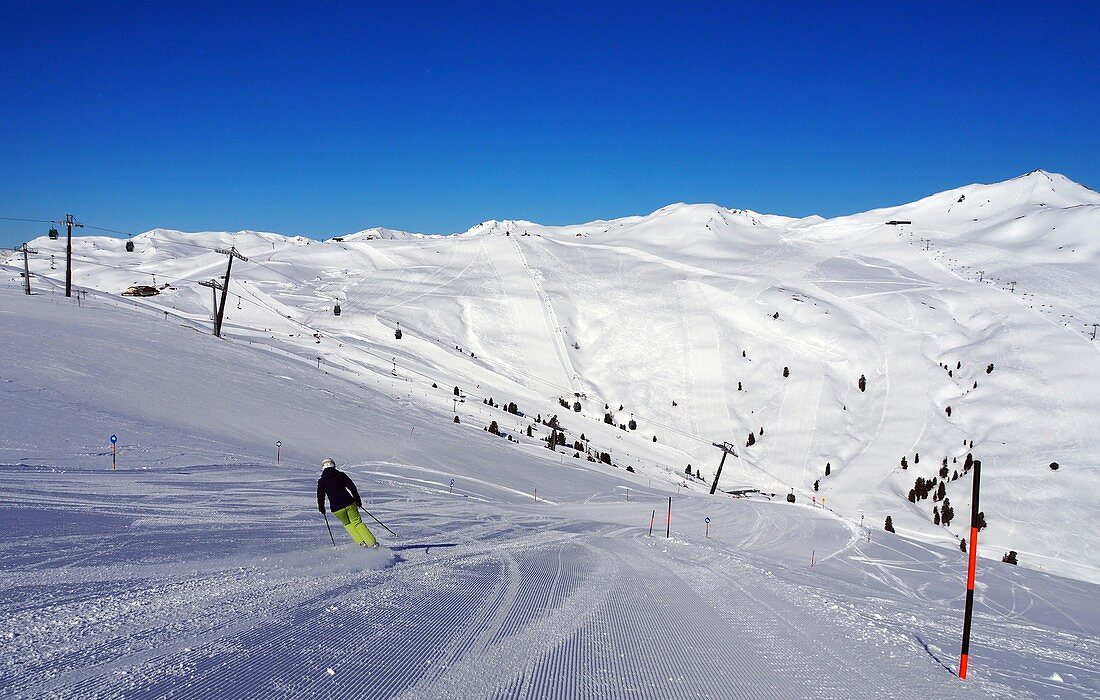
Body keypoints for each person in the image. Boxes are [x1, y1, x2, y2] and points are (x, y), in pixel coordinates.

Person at [316, 458, 378, 547]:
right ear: (333, 465)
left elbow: (320, 496)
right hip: (349, 503)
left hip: (336, 509)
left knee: (347, 524)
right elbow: (352, 487)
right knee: (357, 522)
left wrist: (321, 508)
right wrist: (357, 500)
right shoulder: (341, 475)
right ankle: (372, 543)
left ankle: (361, 543)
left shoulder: (322, 481)